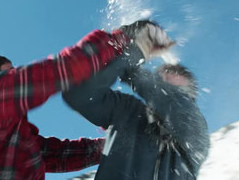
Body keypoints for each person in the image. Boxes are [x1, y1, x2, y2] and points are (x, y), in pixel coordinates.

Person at [0, 20, 174, 180]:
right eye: (8, 72)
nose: (11, 75)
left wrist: (109, 144)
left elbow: (55, 154)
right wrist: (123, 39)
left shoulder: (7, 133)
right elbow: (62, 70)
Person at [62, 44, 210, 180]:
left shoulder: (197, 129)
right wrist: (122, 55)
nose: (164, 77)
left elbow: (174, 103)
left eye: (175, 75)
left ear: (190, 95)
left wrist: (133, 66)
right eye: (160, 76)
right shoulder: (128, 108)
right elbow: (78, 93)